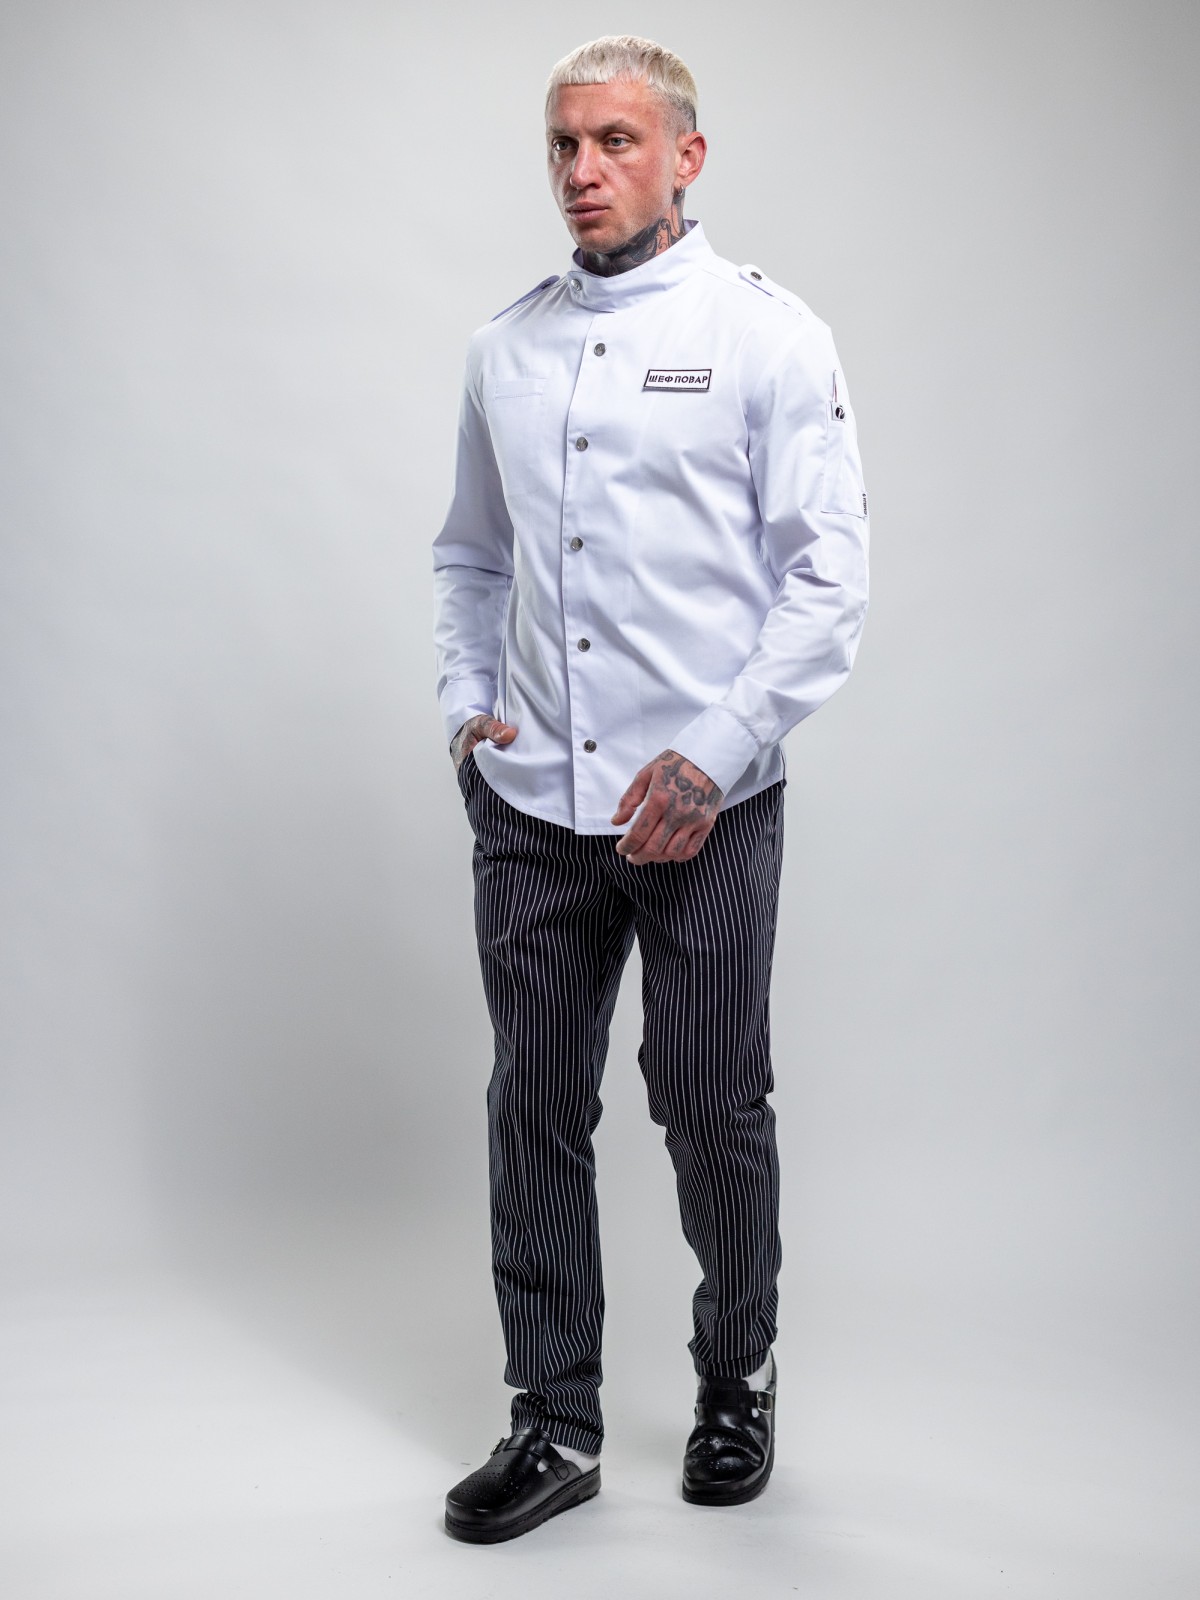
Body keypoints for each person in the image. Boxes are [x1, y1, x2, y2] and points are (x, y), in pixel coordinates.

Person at [432, 35, 869, 1544]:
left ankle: (736, 1378)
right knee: (534, 1107)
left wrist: (719, 748)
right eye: (563, 144)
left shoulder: (766, 338)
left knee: (708, 1102)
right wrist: (465, 707)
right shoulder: (505, 346)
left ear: (686, 155)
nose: (583, 170)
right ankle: (552, 1422)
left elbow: (829, 583)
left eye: (616, 141)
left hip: (707, 812)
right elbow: (469, 556)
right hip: (533, 813)